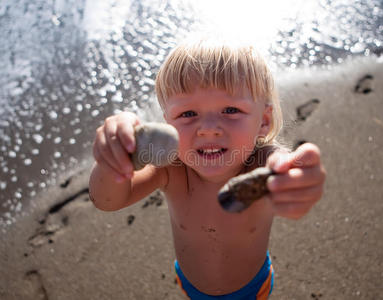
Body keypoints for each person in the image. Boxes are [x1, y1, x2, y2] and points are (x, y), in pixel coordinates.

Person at [89, 39, 326, 299]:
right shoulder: (171, 169)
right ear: (167, 123)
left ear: (263, 121)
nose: (209, 128)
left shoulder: (261, 164)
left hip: (251, 288)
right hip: (191, 285)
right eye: (188, 114)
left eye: (230, 110)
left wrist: (297, 177)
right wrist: (115, 159)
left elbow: (284, 165)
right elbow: (107, 200)